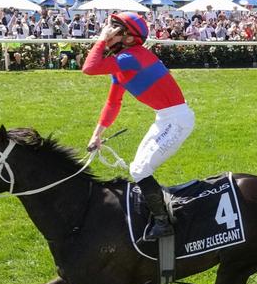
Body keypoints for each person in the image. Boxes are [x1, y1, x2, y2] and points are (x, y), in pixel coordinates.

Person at [82, 12, 193, 241]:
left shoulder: (131, 58)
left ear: (129, 38)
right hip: (166, 118)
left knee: (140, 170)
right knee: (137, 168)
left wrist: (102, 40)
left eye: (114, 29)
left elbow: (89, 68)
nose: (108, 31)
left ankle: (164, 224)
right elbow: (113, 103)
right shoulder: (123, 62)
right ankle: (160, 212)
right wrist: (97, 135)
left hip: (176, 120)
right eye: (109, 28)